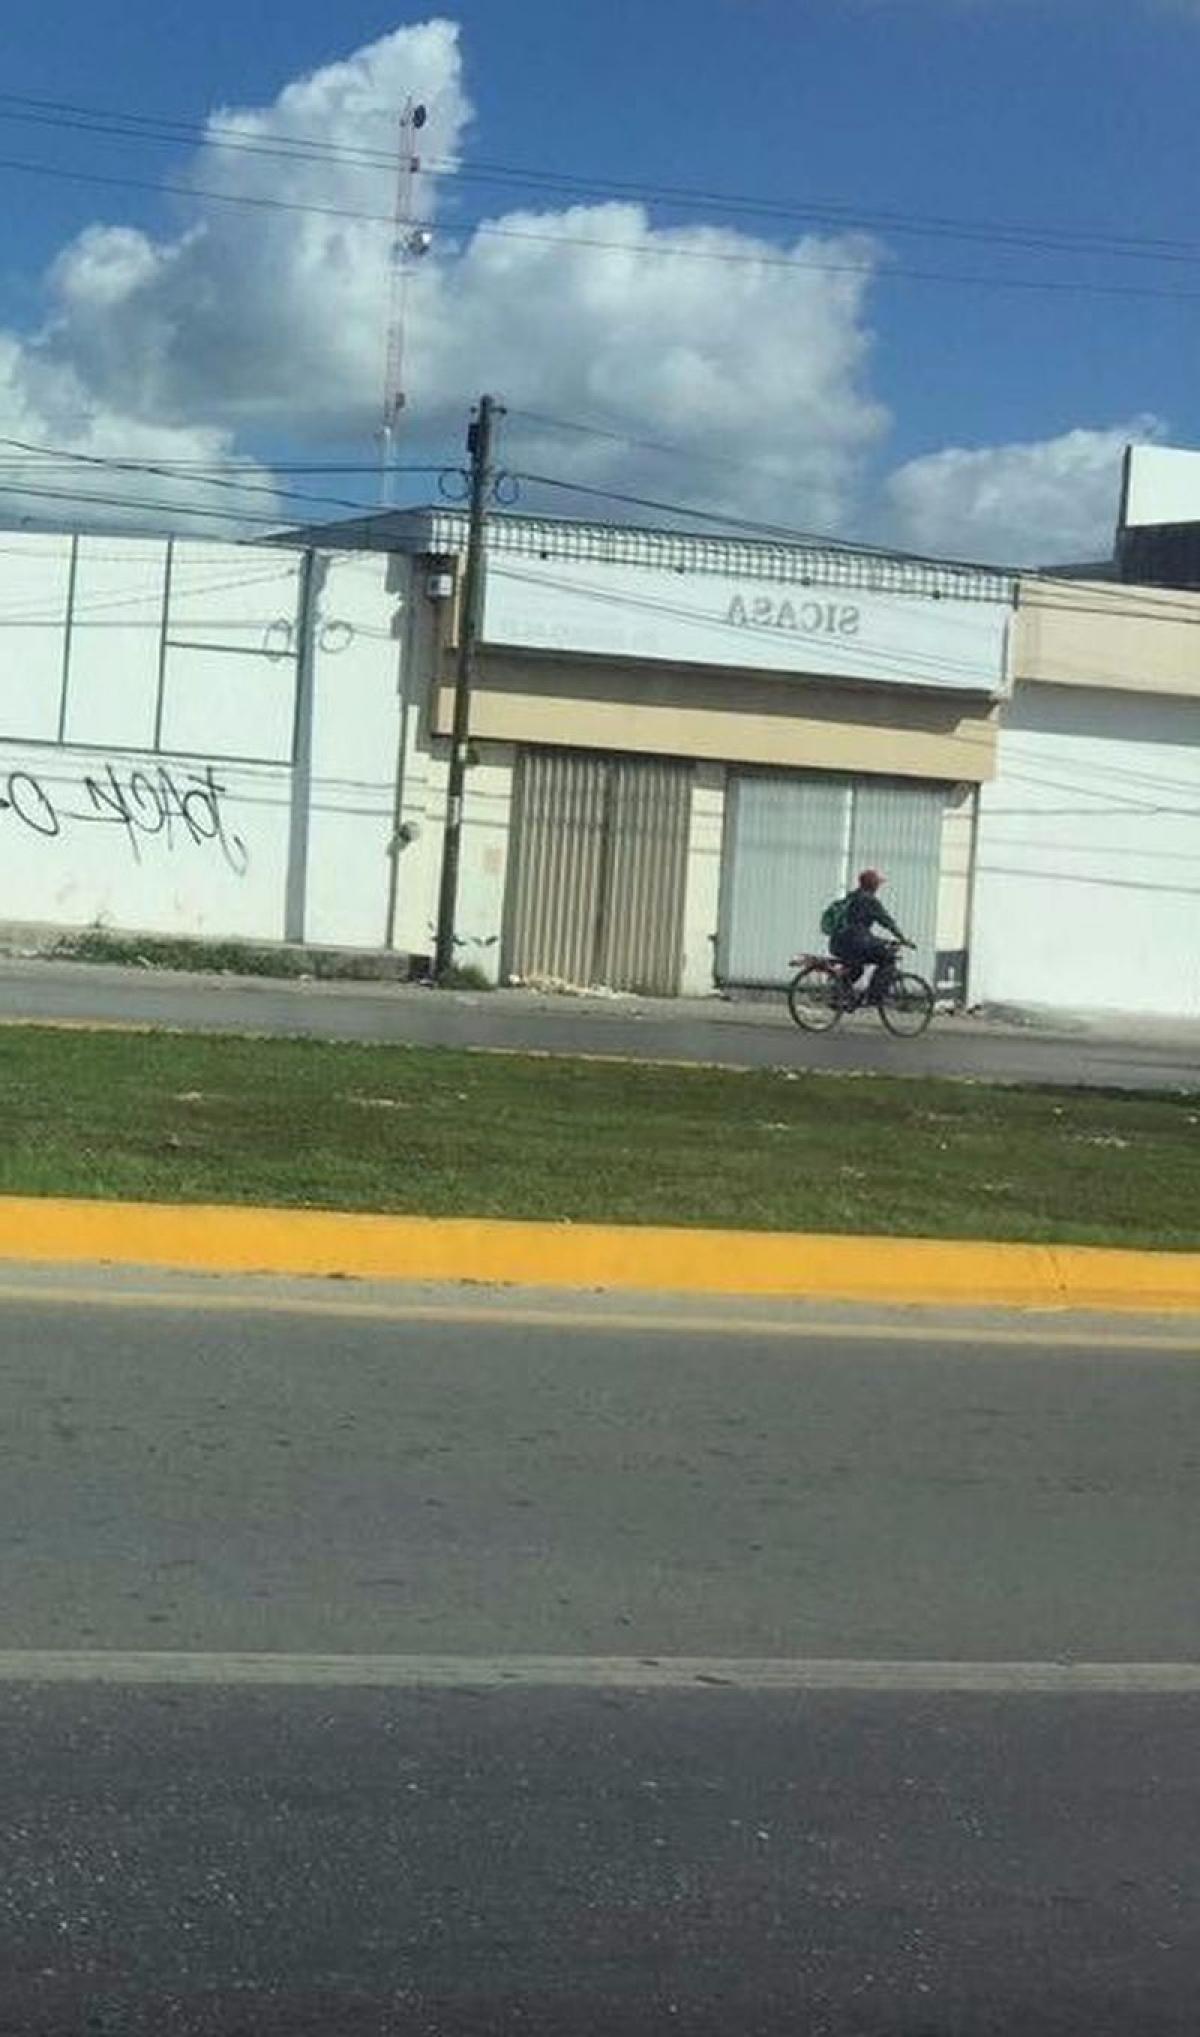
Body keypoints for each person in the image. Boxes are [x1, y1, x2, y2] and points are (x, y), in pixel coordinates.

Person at [828, 868, 913, 1003]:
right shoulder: (870, 901)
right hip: (857, 943)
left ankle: (841, 995)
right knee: (888, 958)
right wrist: (902, 939)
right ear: (873, 886)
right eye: (878, 884)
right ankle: (875, 996)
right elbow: (886, 921)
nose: (879, 887)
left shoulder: (851, 897)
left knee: (856, 968)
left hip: (838, 943)